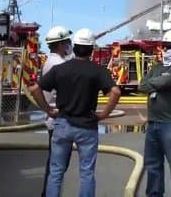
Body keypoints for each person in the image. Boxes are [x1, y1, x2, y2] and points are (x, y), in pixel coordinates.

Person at [30, 28, 121, 197]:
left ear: (75, 46)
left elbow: (35, 88)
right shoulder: (98, 70)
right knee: (86, 173)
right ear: (91, 49)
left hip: (63, 124)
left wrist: (48, 110)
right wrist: (103, 114)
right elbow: (115, 92)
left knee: (55, 172)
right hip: (87, 126)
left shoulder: (60, 69)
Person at [139, 29, 171, 197]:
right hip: (153, 122)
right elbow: (142, 85)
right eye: (165, 46)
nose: (167, 50)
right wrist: (159, 83)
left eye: (170, 47)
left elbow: (166, 81)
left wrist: (157, 83)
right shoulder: (157, 67)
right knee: (152, 165)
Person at [40, 25, 74, 197]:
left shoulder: (50, 62)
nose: (70, 45)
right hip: (59, 122)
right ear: (60, 44)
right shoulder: (59, 65)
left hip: (53, 119)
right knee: (57, 167)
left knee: (54, 166)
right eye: (67, 42)